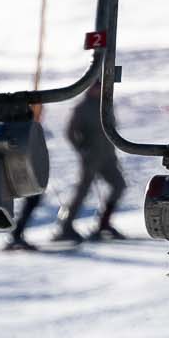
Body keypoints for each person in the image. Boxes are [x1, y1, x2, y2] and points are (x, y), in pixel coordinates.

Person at [53, 83, 129, 245]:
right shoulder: (82, 107)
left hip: (108, 156)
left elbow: (113, 128)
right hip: (91, 157)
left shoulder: (106, 105)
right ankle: (66, 226)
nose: (99, 90)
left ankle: (104, 223)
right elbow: (70, 132)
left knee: (119, 185)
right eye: (97, 87)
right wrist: (82, 149)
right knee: (82, 192)